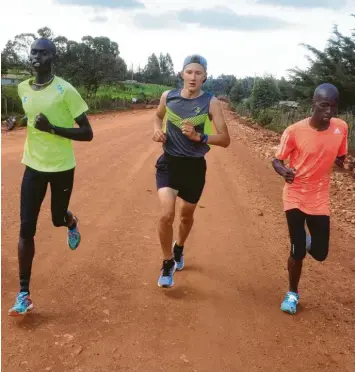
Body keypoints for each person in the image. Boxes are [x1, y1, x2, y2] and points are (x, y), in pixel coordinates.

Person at [8, 38, 93, 316]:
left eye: (43, 53)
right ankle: (24, 294)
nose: (36, 57)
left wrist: (54, 129)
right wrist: (21, 123)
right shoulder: (22, 88)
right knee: (26, 227)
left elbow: (87, 132)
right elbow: (32, 120)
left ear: (53, 58)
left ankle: (71, 222)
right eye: (33, 52)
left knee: (56, 218)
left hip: (61, 167)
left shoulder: (65, 90)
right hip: (33, 165)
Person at [152, 54, 230, 288]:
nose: (193, 77)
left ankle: (179, 248)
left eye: (198, 73)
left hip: (194, 168)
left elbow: (225, 139)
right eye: (189, 72)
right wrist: (156, 131)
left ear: (205, 76)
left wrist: (201, 137)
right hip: (169, 163)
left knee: (186, 215)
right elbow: (157, 116)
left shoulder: (211, 102)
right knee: (166, 215)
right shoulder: (169, 96)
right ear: (182, 74)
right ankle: (167, 263)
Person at [272, 83, 348, 315]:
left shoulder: (341, 127)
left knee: (321, 253)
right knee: (297, 252)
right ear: (313, 104)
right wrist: (284, 171)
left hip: (319, 197)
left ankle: (305, 241)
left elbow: (340, 157)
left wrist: (346, 165)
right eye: (324, 105)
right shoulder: (294, 131)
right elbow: (277, 160)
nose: (329, 111)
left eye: (333, 106)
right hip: (295, 195)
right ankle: (292, 293)